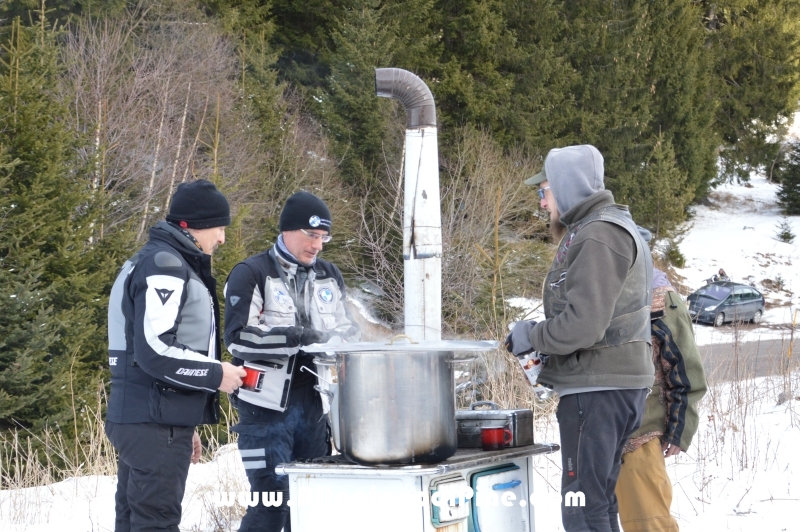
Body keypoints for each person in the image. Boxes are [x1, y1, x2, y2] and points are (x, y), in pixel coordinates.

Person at [505, 144, 654, 532]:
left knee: (582, 508)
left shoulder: (598, 234)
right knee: (597, 503)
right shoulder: (606, 227)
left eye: (544, 191)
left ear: (567, 187)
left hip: (598, 388)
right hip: (609, 386)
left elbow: (584, 325)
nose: (542, 204)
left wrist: (531, 335)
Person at [106, 179, 247, 532]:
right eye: (219, 227)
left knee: (134, 520)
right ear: (193, 225)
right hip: (153, 421)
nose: (222, 238)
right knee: (156, 523)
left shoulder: (158, 260)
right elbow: (154, 350)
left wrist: (188, 420)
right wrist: (217, 374)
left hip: (152, 417)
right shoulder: (165, 266)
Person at [224, 190, 360, 532]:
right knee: (271, 505)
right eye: (311, 235)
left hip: (314, 407)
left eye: (324, 238)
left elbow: (346, 328)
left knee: (311, 507)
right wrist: (296, 336)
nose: (317, 246)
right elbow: (238, 338)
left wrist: (349, 338)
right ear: (287, 230)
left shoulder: (329, 274)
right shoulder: (252, 272)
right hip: (264, 412)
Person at [615, 264, 707, 532]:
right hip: (597, 437)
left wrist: (680, 428)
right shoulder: (595, 290)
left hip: (639, 437)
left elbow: (685, 369)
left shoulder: (658, 295)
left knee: (648, 525)